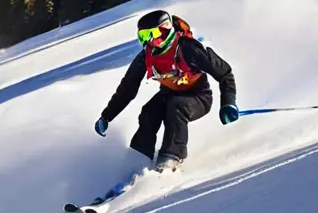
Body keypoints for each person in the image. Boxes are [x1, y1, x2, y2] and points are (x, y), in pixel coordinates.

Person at [94, 9, 239, 173]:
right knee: (149, 111)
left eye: (152, 34)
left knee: (176, 107)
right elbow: (128, 88)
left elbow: (224, 72)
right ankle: (137, 159)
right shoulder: (147, 56)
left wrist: (228, 103)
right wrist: (107, 116)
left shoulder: (187, 48)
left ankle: (171, 158)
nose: (150, 41)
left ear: (165, 30)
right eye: (143, 36)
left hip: (198, 97)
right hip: (168, 94)